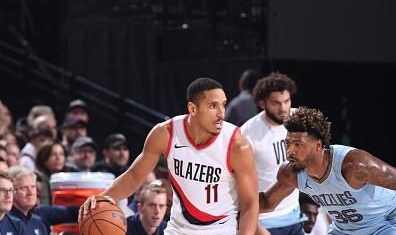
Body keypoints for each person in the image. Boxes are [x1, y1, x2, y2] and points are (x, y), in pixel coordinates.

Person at [80, 77, 259, 235]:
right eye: (213, 106)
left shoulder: (237, 145)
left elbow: (250, 203)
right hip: (178, 229)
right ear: (193, 109)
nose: (221, 113)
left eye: (223, 104)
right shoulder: (166, 133)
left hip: (220, 229)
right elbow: (135, 175)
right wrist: (103, 197)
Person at [259, 106, 396, 235]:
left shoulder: (354, 165)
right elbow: (267, 202)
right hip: (344, 230)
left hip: (384, 223)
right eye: (287, 143)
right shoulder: (290, 173)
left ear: (318, 145)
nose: (289, 152)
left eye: (298, 144)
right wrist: (238, 205)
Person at [241, 72, 305, 235]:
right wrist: (255, 227)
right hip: (265, 222)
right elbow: (236, 187)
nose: (283, 108)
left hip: (295, 214)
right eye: (276, 103)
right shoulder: (247, 135)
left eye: (286, 101)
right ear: (262, 103)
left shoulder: (300, 119)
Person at [8, 165, 78, 235]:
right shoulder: (5, 221)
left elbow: (69, 212)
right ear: (11, 191)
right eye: (24, 188)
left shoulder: (39, 219)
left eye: (33, 187)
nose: (30, 193)